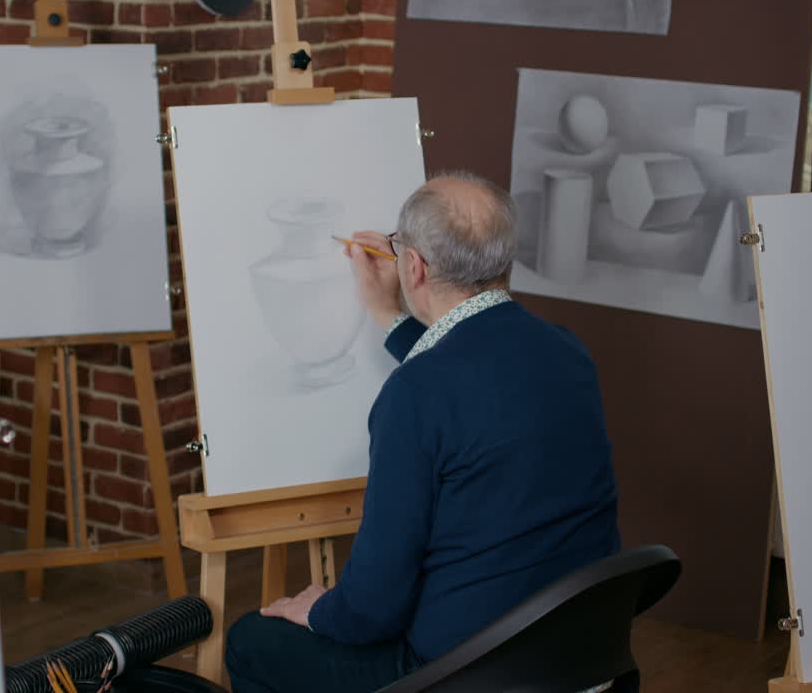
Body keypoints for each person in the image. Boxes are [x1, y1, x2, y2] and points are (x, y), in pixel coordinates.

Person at [223, 171, 621, 693]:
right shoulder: (566, 351)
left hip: (470, 675)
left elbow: (371, 610)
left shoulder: (416, 394)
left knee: (250, 642)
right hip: (585, 663)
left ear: (413, 266)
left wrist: (320, 610)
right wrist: (388, 315)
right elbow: (479, 373)